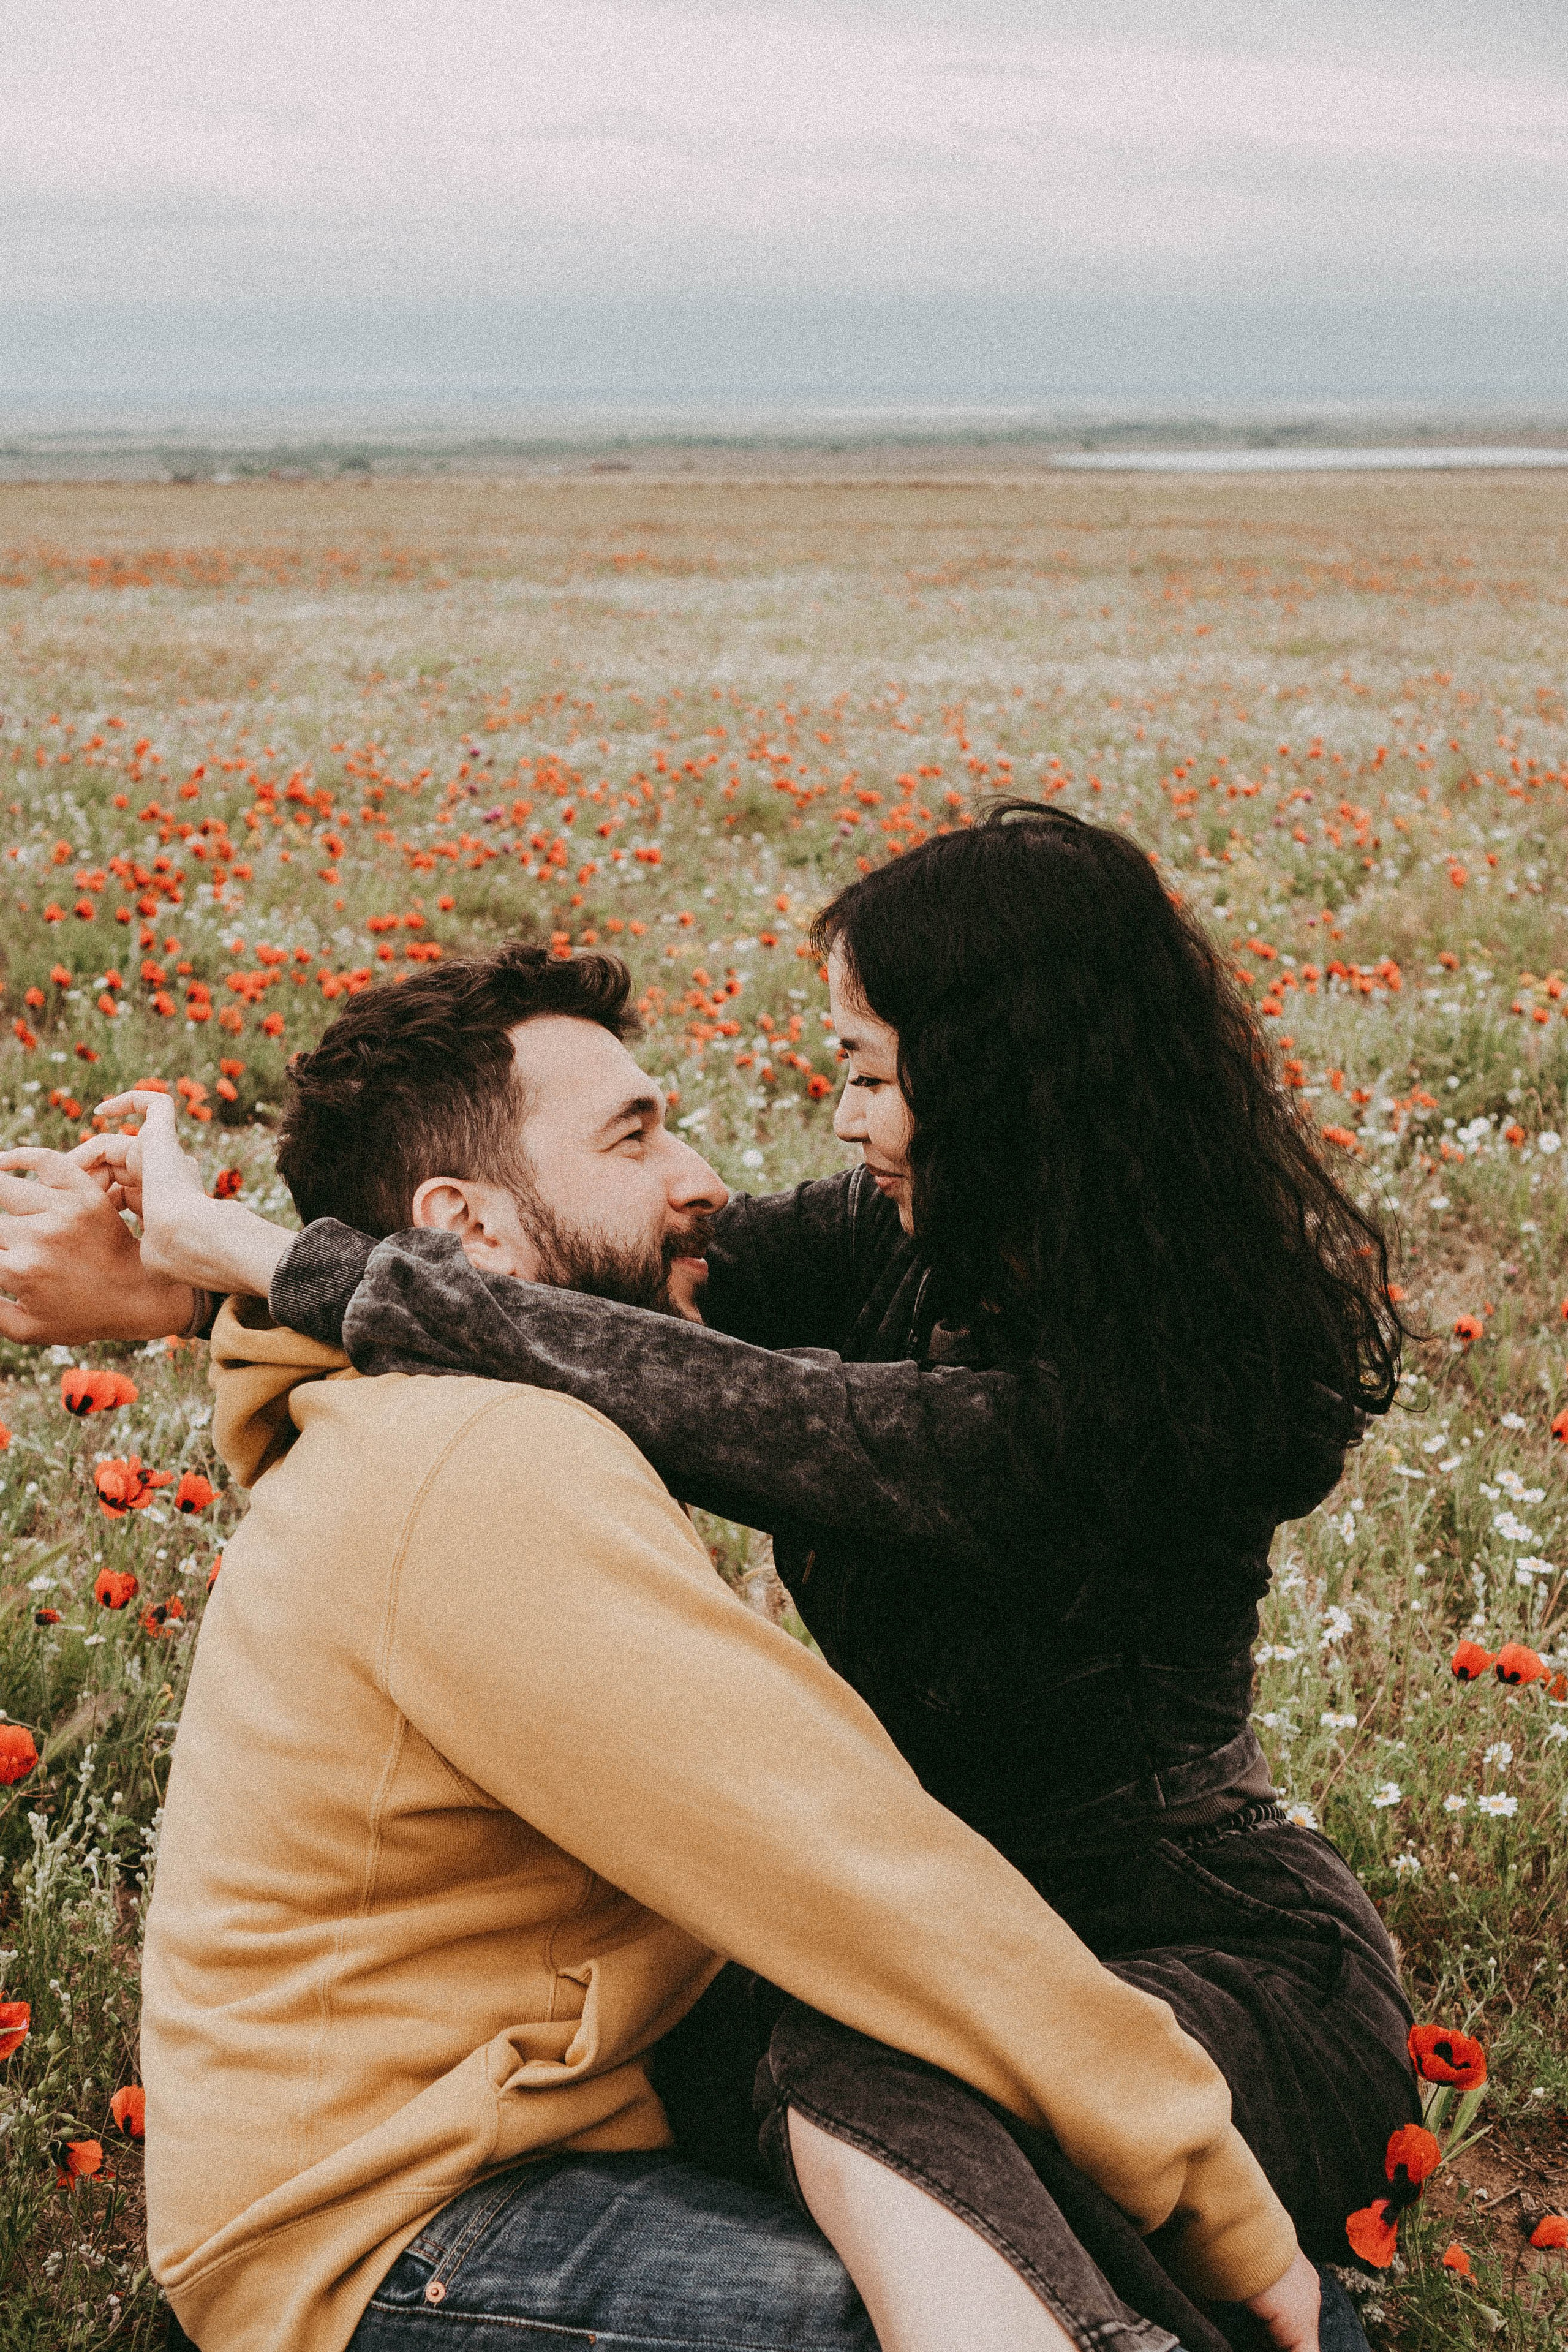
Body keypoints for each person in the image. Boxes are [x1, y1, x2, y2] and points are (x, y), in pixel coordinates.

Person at [3, 943, 1320, 2352]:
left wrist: (212, 1285)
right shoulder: (474, 1464)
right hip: (391, 2228)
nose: (700, 1181)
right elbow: (840, 1857)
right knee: (1031, 2318)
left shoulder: (433, 1413)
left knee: (1029, 2255)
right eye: (633, 1138)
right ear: (464, 1230)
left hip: (540, 2119)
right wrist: (1205, 2181)